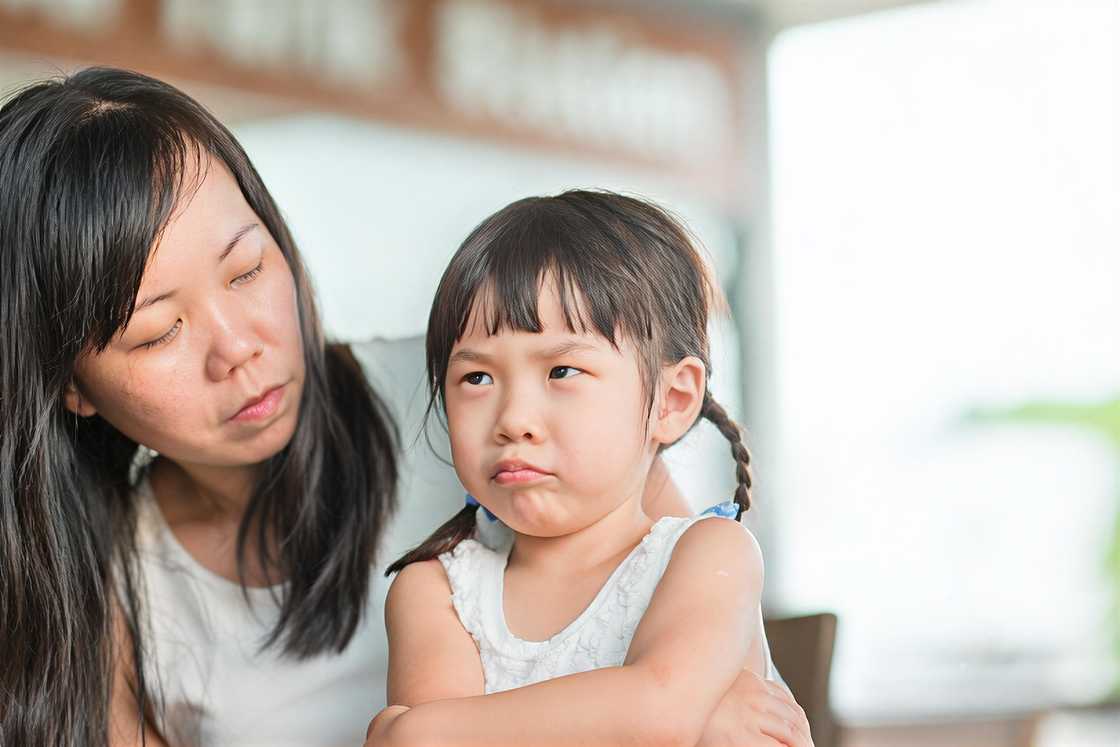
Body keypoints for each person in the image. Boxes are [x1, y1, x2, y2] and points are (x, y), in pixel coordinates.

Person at [0, 68, 811, 747]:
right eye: (158, 331)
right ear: (71, 384)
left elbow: (696, 658)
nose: (238, 347)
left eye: (246, 270)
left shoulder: (484, 401)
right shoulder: (108, 586)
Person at [368, 191, 788, 747]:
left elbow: (658, 711)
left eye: (561, 371)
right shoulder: (436, 591)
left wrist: (418, 730)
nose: (513, 420)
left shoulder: (710, 555)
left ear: (671, 401)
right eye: (477, 378)